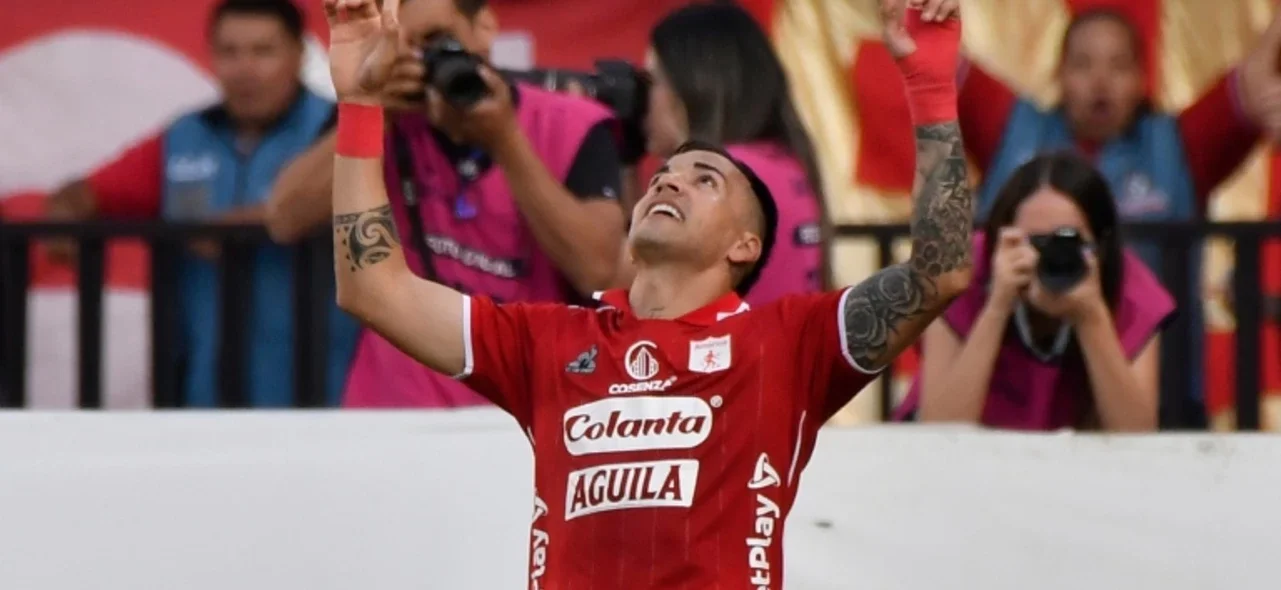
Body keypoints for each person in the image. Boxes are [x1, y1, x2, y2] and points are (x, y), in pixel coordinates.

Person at [325, 0, 968, 585]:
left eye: (705, 179)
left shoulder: (786, 344)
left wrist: (931, 89)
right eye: (663, 174)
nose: (671, 182)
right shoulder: (550, 341)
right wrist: (359, 102)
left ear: (744, 246)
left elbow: (939, 274)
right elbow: (373, 289)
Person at [266, 0, 626, 408]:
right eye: (401, 46)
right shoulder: (375, 109)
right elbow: (284, 219)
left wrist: (505, 140)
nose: (419, 60)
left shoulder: (571, 123)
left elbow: (597, 268)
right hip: (394, 405)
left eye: (436, 39)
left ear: (485, 26)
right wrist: (374, 112)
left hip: (528, 402)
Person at [953, 5, 1281, 420]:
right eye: (1083, 64)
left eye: (1119, 65)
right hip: (1013, 407)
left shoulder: (1179, 148)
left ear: (1143, 78)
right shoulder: (1010, 130)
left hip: (1156, 405)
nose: (1100, 81)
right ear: (1059, 74)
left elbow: (1253, 81)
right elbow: (935, 57)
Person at [42, 0, 359, 407]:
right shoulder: (183, 136)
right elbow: (84, 194)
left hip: (330, 398)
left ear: (299, 54)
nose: (245, 69)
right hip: (200, 404)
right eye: (229, 52)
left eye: (263, 51)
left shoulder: (343, 131)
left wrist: (246, 227)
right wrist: (64, 216)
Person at [897, 153, 1172, 431]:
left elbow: (1137, 438)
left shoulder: (1133, 291)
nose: (1052, 256)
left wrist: (1092, 317)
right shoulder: (959, 273)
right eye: (1037, 242)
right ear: (1003, 237)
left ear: (1100, 247)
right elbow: (939, 434)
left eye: (1069, 241)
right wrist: (996, 307)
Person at [632, 2, 829, 303]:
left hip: (736, 349)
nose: (643, 98)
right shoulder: (778, 162)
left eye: (652, 81)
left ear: (694, 84)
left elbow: (614, 276)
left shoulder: (729, 174)